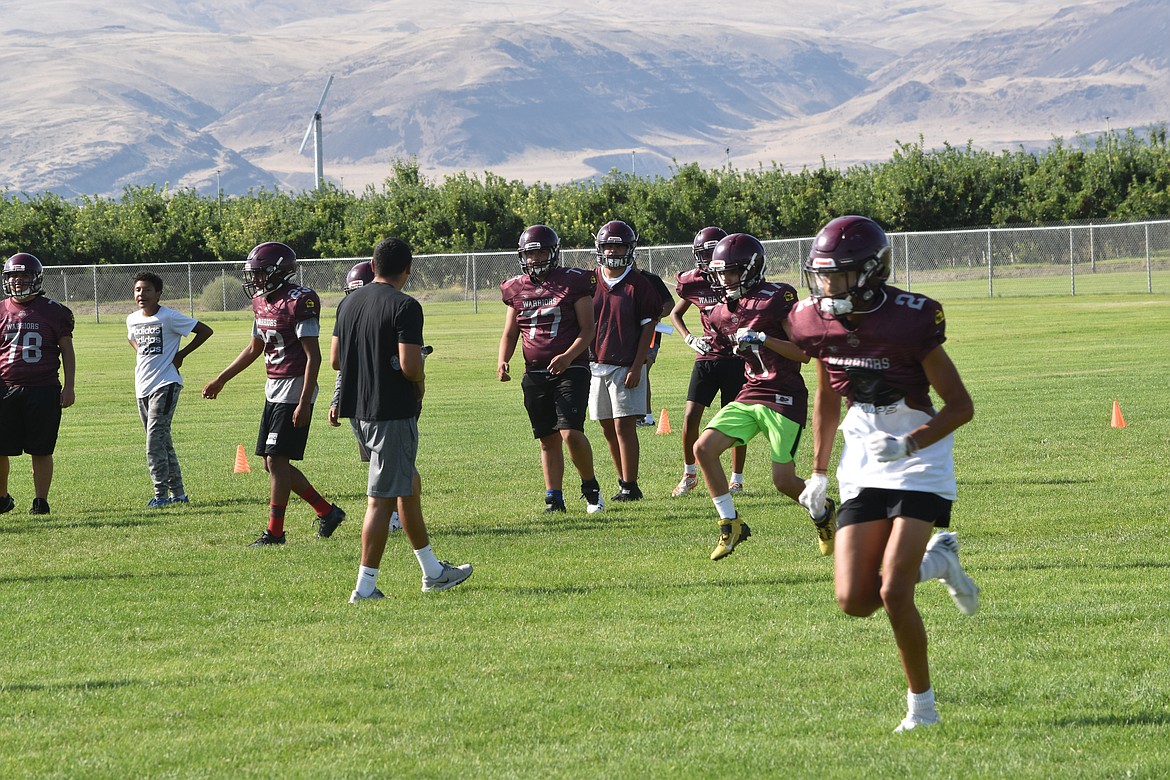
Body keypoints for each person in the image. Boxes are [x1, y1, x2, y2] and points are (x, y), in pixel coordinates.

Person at [787, 215, 979, 733]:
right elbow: (828, 391)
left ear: (871, 272)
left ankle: (924, 708)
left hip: (919, 455)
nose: (826, 286)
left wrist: (910, 444)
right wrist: (819, 471)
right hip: (864, 457)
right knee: (854, 600)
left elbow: (960, 406)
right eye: (821, 275)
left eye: (838, 275)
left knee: (895, 591)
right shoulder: (812, 320)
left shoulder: (910, 318)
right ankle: (939, 562)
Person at [332, 237, 473, 601]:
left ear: (373, 264)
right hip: (390, 411)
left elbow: (336, 359)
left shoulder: (348, 303)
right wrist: (421, 372)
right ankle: (364, 588)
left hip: (359, 411)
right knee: (380, 501)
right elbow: (410, 366)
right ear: (407, 269)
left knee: (408, 483)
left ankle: (433, 572)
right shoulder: (406, 305)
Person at [692, 233, 836, 560]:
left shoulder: (777, 297)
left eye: (730, 271)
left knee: (783, 481)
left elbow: (803, 354)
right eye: (720, 272)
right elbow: (726, 347)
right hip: (750, 390)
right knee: (703, 448)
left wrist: (763, 338)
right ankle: (731, 523)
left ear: (751, 269)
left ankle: (822, 511)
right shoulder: (720, 311)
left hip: (783, 393)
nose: (723, 279)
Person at [201, 241, 345, 546]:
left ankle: (275, 532)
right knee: (270, 463)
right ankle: (327, 511)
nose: (255, 280)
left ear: (280, 271)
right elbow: (255, 347)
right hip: (274, 387)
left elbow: (314, 357)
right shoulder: (261, 301)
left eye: (261, 273)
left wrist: (305, 402)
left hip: (294, 386)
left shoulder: (299, 300)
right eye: (253, 274)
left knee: (276, 462)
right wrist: (221, 379)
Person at [498, 225, 604, 514]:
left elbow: (588, 330)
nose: (535, 258)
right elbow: (510, 332)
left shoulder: (575, 281)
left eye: (541, 251)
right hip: (534, 371)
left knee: (570, 431)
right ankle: (554, 497)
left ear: (553, 252)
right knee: (547, 437)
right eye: (530, 253)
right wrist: (503, 359)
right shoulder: (516, 287)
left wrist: (568, 357)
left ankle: (590, 488)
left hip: (572, 368)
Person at [669, 226, 749, 497]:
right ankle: (689, 474)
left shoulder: (738, 276)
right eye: (704, 254)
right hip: (707, 356)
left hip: (737, 358)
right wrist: (688, 338)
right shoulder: (693, 281)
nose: (709, 259)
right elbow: (675, 314)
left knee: (736, 420)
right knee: (691, 416)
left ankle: (736, 479)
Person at [588, 220, 663, 502]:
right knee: (607, 425)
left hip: (626, 364)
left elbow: (649, 326)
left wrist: (637, 364)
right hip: (596, 363)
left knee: (624, 425)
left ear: (630, 248)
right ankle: (622, 482)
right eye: (609, 245)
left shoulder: (639, 283)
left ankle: (631, 486)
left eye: (619, 245)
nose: (614, 250)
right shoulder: (590, 281)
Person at [126, 271, 214, 507]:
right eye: (137, 290)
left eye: (147, 290)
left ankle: (160, 496)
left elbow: (205, 331)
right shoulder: (132, 319)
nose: (141, 294)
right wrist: (143, 355)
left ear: (158, 294)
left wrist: (181, 355)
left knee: (153, 442)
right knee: (163, 441)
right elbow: (132, 338)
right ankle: (179, 494)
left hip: (165, 384)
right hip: (142, 386)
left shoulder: (169, 317)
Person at [0, 253, 75, 516]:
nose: (18, 282)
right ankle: (2, 497)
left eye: (24, 276)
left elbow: (67, 349)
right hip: (5, 387)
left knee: (40, 448)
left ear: (36, 278)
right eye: (13, 277)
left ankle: (40, 501)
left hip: (43, 387)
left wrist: (69, 386)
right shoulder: (0, 309)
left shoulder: (54, 310)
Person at [632, 261, 674, 427]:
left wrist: (656, 315)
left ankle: (645, 416)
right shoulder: (617, 279)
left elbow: (670, 304)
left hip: (650, 334)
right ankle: (634, 414)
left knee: (642, 370)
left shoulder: (651, 279)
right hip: (627, 334)